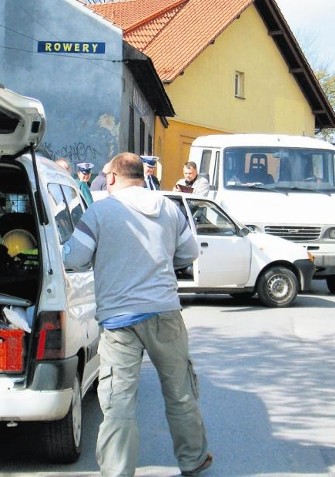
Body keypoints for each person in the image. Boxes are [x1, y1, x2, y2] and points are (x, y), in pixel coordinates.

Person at [62, 152, 211, 477]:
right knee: (180, 392)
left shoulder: (100, 211)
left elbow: (75, 257)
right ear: (142, 175)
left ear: (112, 178)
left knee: (118, 402)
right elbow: (190, 252)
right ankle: (193, 459)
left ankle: (117, 471)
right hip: (164, 313)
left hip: (119, 322)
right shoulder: (169, 208)